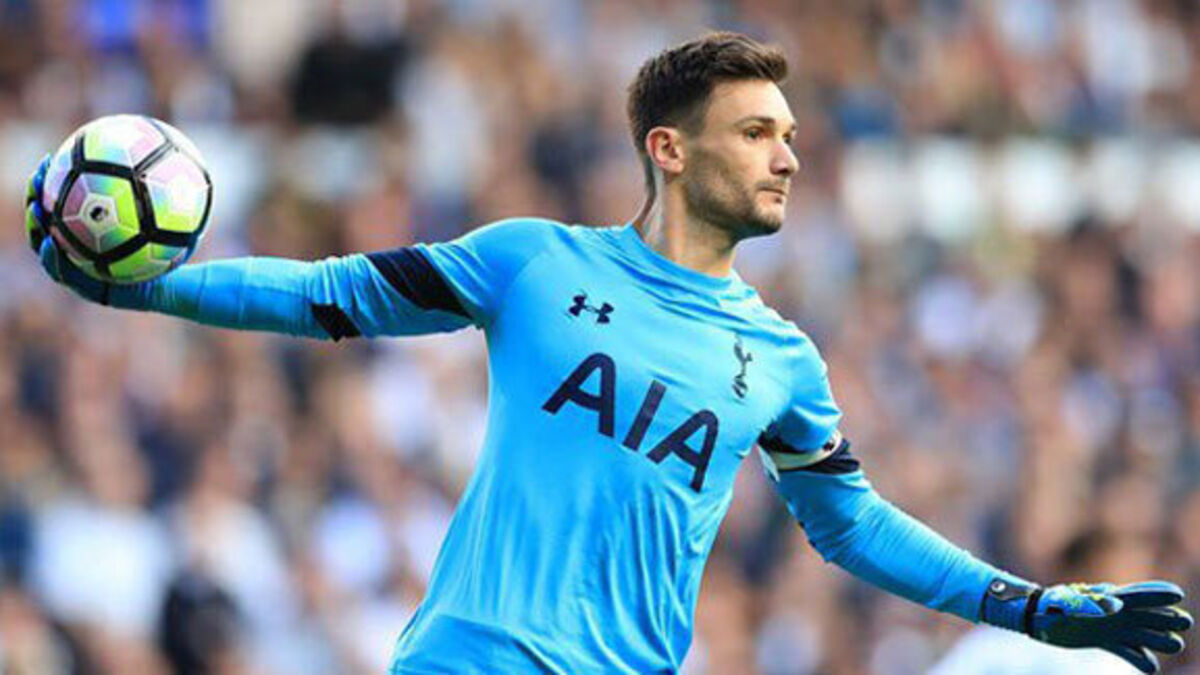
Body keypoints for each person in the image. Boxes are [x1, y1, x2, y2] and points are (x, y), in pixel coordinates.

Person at [25, 32, 1193, 675]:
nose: (788, 158)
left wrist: (1027, 607)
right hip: (469, 661)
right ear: (669, 150)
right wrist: (148, 289)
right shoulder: (532, 263)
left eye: (790, 136)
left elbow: (850, 525)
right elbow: (328, 295)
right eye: (757, 133)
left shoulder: (782, 359)